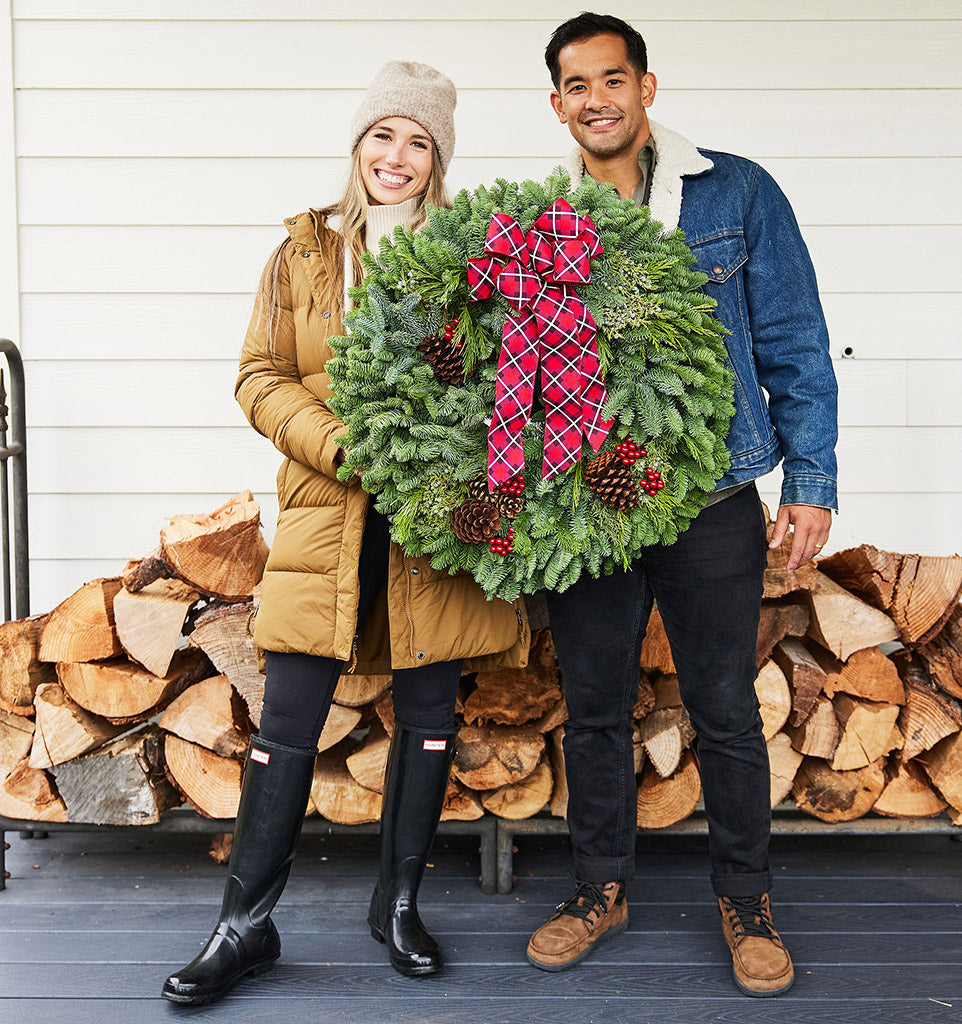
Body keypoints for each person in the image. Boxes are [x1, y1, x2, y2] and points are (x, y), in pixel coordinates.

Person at [161, 61, 529, 1006]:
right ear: (357, 145)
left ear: (437, 159)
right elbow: (257, 375)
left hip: (435, 528)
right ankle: (243, 925)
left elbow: (507, 385)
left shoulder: (471, 260)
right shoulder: (304, 256)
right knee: (288, 718)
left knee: (432, 712)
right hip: (331, 515)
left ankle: (397, 903)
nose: (396, 158)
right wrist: (339, 442)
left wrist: (452, 443)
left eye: (418, 142)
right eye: (383, 136)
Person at [525, 14, 838, 998]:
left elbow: (793, 336)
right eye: (577, 85)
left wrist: (810, 480)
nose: (597, 99)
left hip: (711, 493)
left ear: (646, 88)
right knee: (593, 710)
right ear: (557, 105)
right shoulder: (534, 218)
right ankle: (597, 889)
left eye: (612, 79)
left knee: (725, 710)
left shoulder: (734, 192)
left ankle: (745, 902)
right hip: (587, 502)